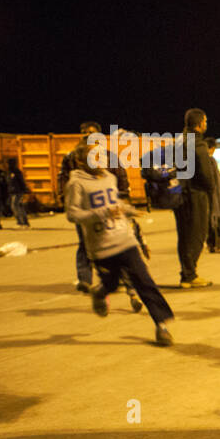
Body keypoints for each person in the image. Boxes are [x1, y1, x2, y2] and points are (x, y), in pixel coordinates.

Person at [65, 141, 174, 345]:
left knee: (144, 281)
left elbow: (114, 203)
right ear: (81, 161)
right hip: (102, 247)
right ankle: (100, 292)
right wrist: (101, 213)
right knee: (112, 284)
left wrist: (129, 210)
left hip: (125, 239)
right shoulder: (76, 183)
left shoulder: (110, 178)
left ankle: (161, 326)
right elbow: (72, 214)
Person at [59, 122, 104, 291]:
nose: (87, 135)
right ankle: (84, 279)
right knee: (85, 242)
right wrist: (65, 198)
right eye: (84, 133)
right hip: (82, 205)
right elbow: (63, 176)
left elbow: (119, 176)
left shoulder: (107, 155)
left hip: (102, 203)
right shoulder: (72, 156)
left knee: (106, 241)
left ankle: (110, 277)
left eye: (91, 133)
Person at [176, 108, 216, 288]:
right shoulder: (198, 144)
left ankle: (187, 273)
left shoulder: (179, 140)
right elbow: (206, 174)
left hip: (179, 194)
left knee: (184, 235)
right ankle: (189, 275)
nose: (206, 124)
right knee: (198, 234)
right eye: (205, 121)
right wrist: (211, 190)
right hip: (196, 194)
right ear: (199, 124)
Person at [7, 157, 30, 227]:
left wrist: (24, 190)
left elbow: (21, 181)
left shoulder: (16, 171)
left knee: (15, 206)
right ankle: (24, 222)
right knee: (19, 206)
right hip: (13, 191)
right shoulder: (9, 172)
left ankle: (21, 222)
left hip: (17, 191)